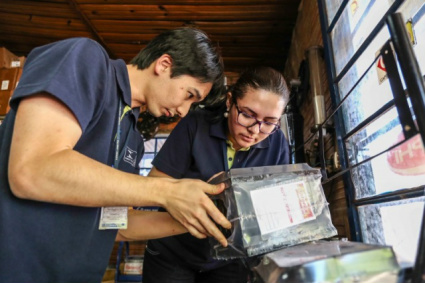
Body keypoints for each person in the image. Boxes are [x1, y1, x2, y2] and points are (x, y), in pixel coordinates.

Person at [0, 28, 232, 283]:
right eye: (189, 95)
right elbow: (33, 169)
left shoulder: (133, 138)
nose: (184, 111)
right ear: (164, 65)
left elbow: (116, 224)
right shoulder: (86, 59)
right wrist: (166, 191)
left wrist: (199, 220)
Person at [143, 66, 291, 283]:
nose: (256, 130)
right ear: (230, 101)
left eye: (269, 122)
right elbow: (154, 185)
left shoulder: (277, 144)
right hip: (173, 251)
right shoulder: (195, 124)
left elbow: (280, 206)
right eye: (248, 115)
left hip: (230, 258)